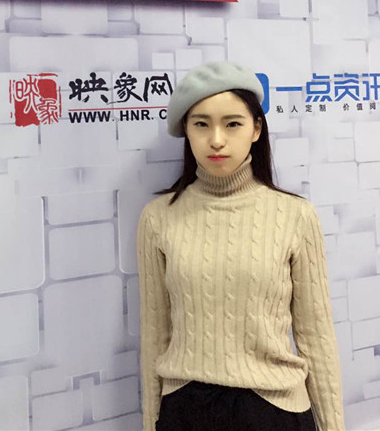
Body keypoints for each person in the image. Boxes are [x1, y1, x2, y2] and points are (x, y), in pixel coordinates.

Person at [137, 61, 345, 431]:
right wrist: (151, 422)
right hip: (186, 410)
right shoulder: (158, 217)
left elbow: (316, 337)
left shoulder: (295, 215)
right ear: (186, 130)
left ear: (256, 129)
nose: (216, 139)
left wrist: (333, 426)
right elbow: (155, 333)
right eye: (201, 124)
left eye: (232, 124)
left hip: (275, 410)